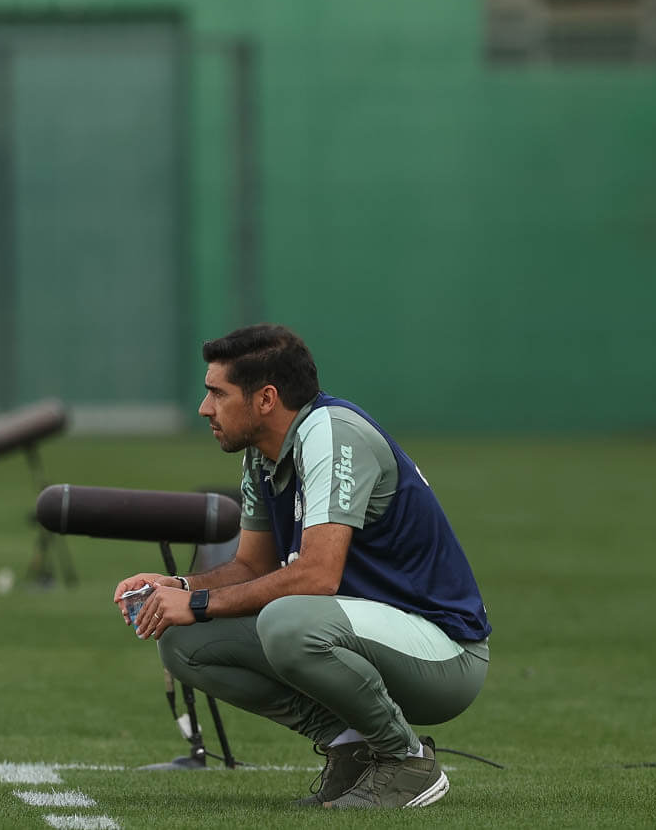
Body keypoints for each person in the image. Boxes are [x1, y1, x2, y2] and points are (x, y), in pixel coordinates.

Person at [113, 324, 491, 809]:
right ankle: (350, 747)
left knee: (285, 621)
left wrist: (200, 601)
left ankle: (405, 762)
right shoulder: (261, 455)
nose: (205, 407)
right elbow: (251, 567)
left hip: (445, 653)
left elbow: (317, 575)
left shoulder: (330, 433)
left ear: (266, 399)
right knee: (182, 640)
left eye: (217, 393)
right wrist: (179, 586)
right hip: (358, 635)